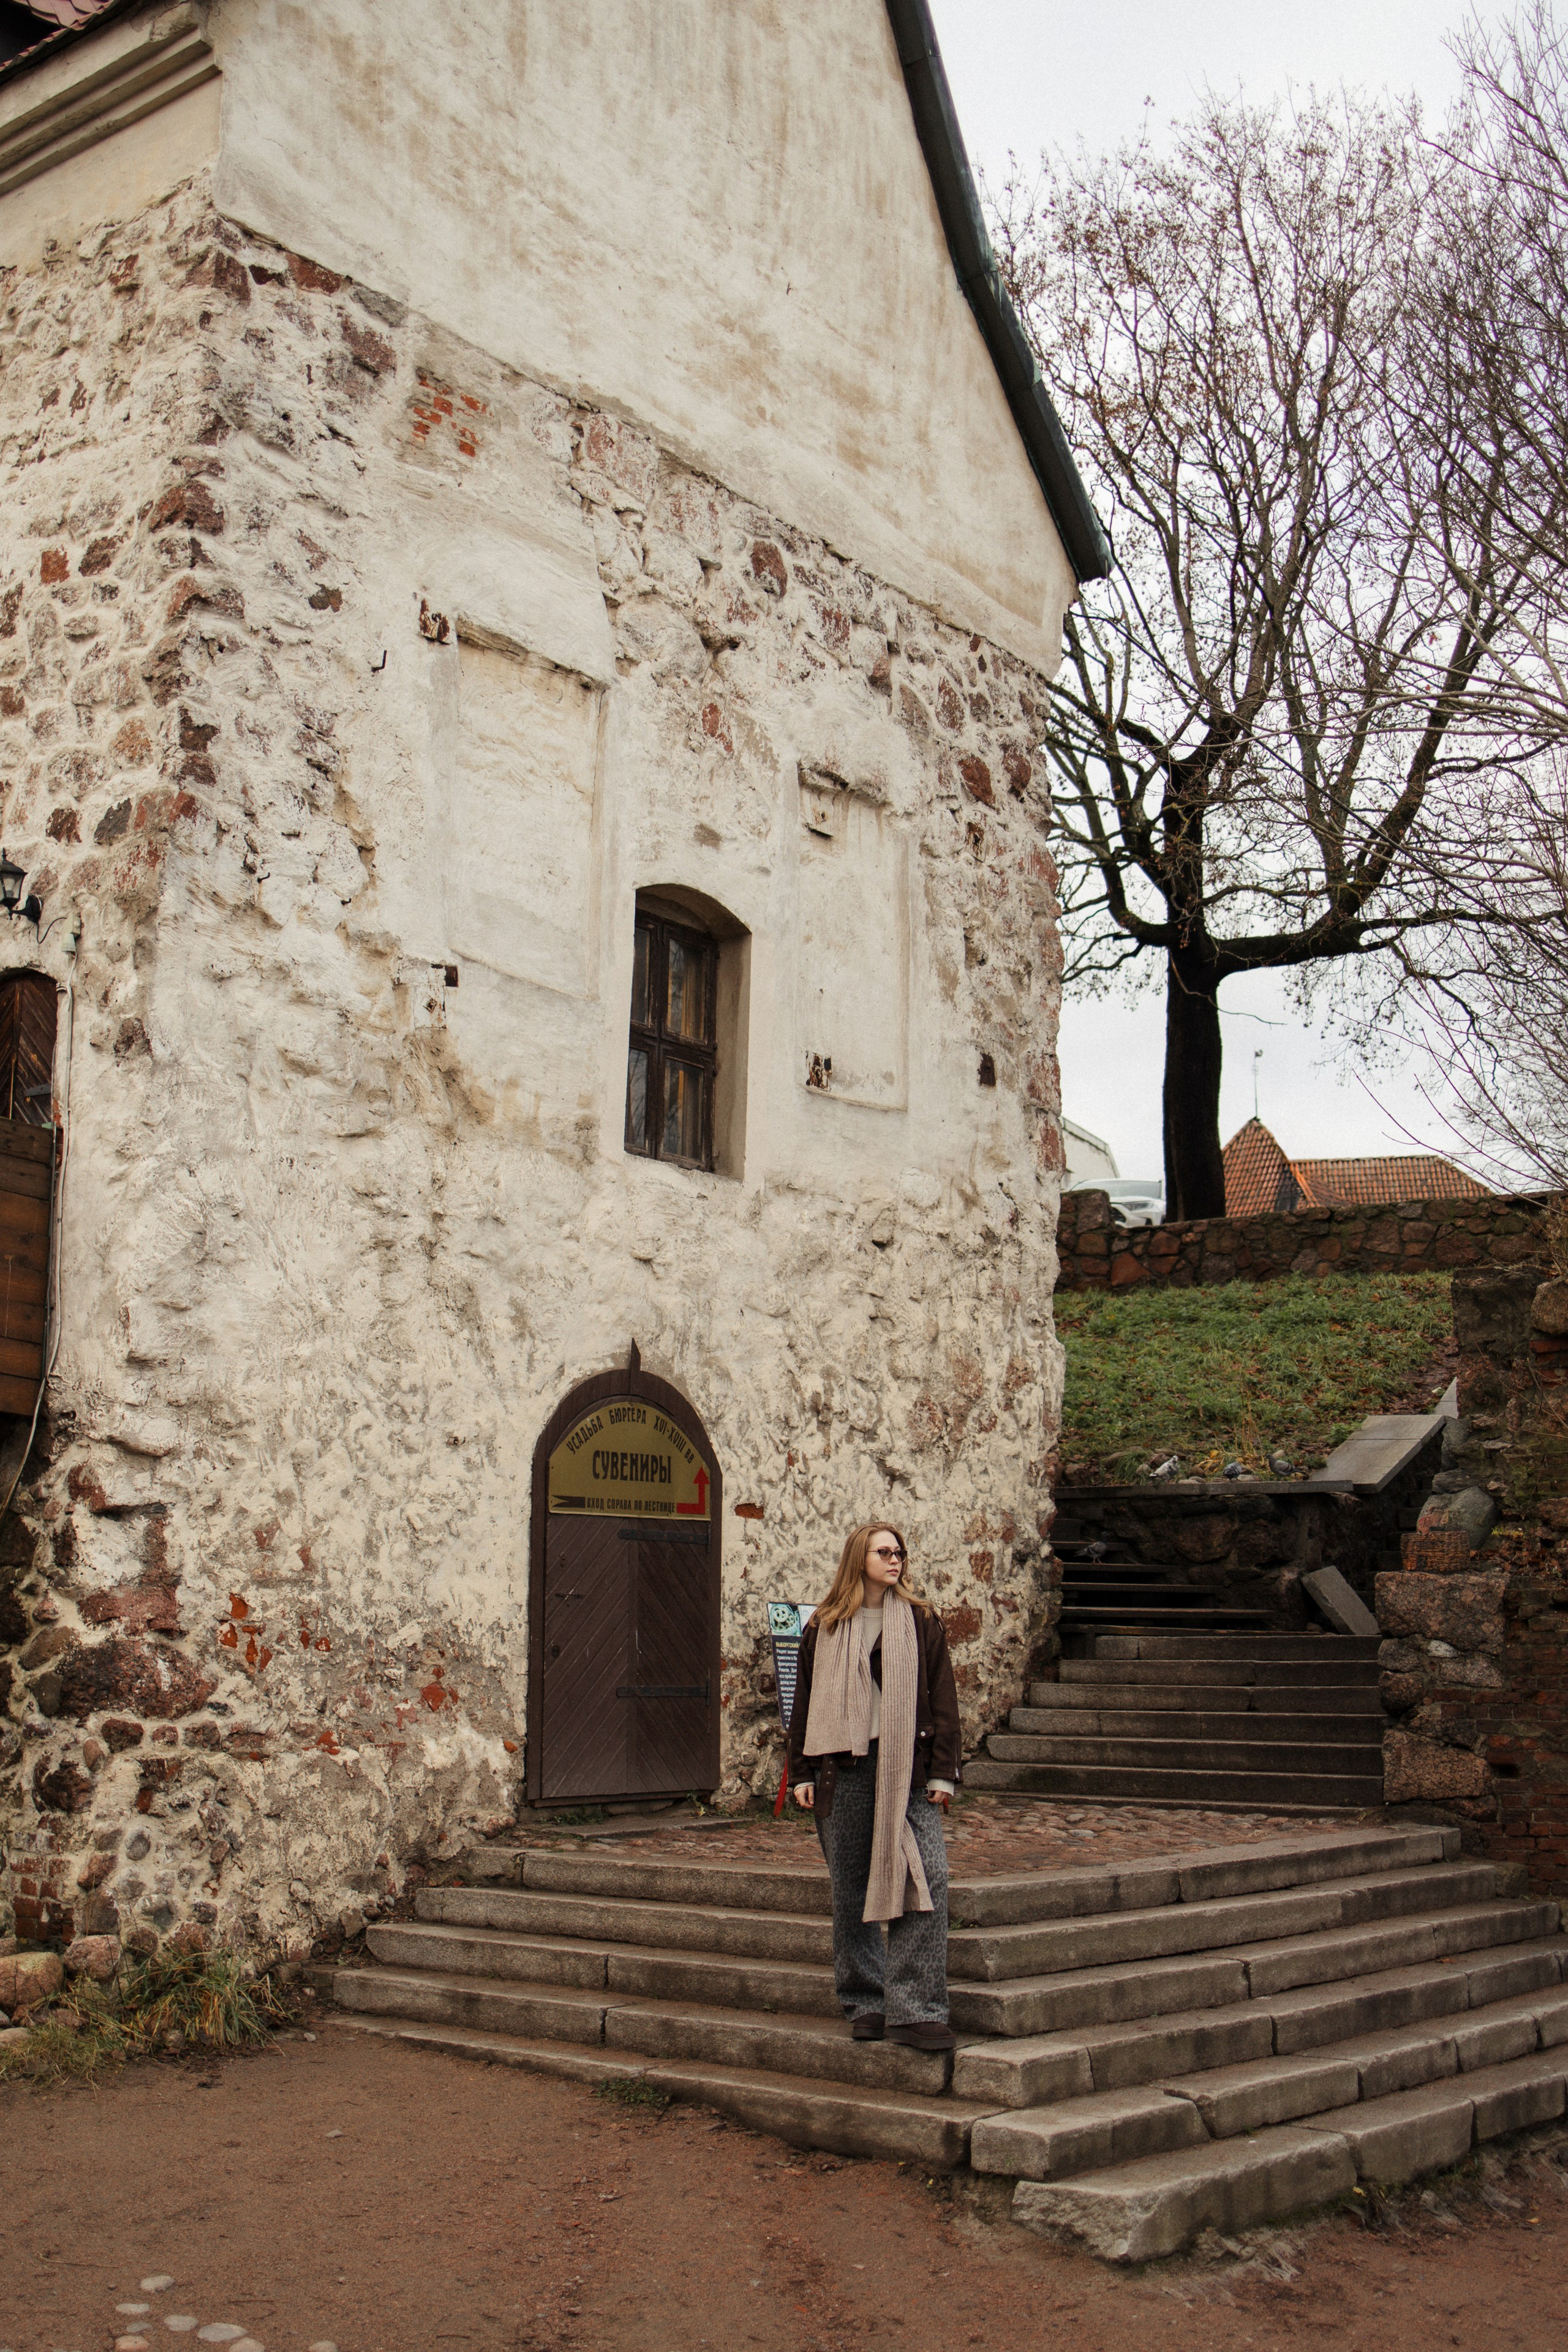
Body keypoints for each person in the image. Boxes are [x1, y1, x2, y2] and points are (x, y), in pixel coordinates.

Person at [785, 1521, 960, 2050]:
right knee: (851, 1890)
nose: (895, 1560)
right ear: (858, 1557)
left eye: (900, 1552)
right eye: (884, 1551)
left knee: (927, 1879)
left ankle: (917, 2009)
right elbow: (804, 1704)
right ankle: (866, 2002)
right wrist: (800, 1773)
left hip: (904, 1768)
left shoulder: (921, 1620)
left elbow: (944, 1698)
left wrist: (943, 1772)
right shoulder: (826, 1625)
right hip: (842, 1767)